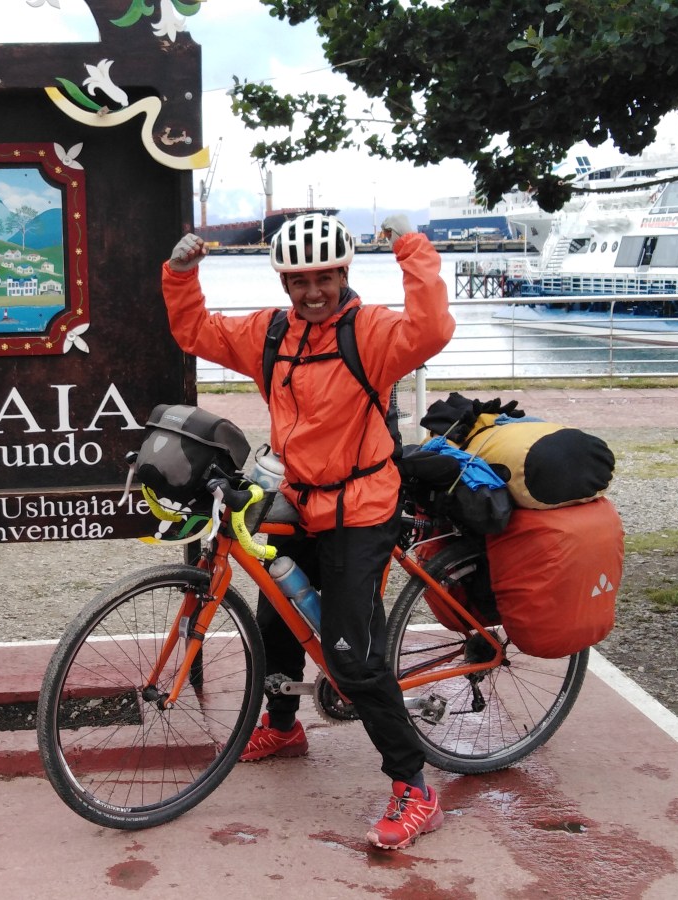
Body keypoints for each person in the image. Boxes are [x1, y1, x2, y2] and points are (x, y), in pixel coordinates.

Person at [161, 212, 455, 851]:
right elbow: (194, 329)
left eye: (324, 277)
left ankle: (415, 789)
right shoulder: (272, 335)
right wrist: (180, 274)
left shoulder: (371, 331)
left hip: (364, 506)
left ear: (344, 274)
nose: (312, 291)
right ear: (284, 281)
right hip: (298, 498)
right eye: (299, 280)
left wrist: (411, 249)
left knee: (351, 656)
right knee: (276, 623)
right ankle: (285, 725)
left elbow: (432, 327)